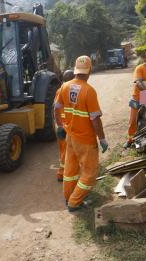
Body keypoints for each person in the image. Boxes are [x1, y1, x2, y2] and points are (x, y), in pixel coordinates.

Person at [54, 56, 108, 212]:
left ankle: (68, 197)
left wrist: (60, 125)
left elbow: (56, 108)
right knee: (90, 173)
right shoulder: (88, 91)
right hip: (85, 140)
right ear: (89, 70)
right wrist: (102, 139)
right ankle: (74, 202)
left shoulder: (64, 87)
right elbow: (95, 120)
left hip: (70, 136)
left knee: (70, 170)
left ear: (76, 69)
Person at [54, 69, 74, 181]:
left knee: (63, 151)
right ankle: (69, 175)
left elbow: (55, 109)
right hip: (70, 126)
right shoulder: (74, 91)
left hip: (61, 126)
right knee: (71, 151)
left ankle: (61, 173)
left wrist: (58, 125)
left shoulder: (59, 91)